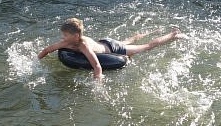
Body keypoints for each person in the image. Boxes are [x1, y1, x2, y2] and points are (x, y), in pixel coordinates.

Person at [37, 17, 181, 79]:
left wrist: (98, 82)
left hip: (113, 48)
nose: (62, 38)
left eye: (65, 35)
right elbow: (46, 50)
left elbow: (97, 66)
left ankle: (173, 34)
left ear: (76, 36)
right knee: (127, 41)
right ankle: (141, 34)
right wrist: (36, 62)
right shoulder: (66, 43)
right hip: (104, 42)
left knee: (148, 47)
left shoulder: (83, 45)